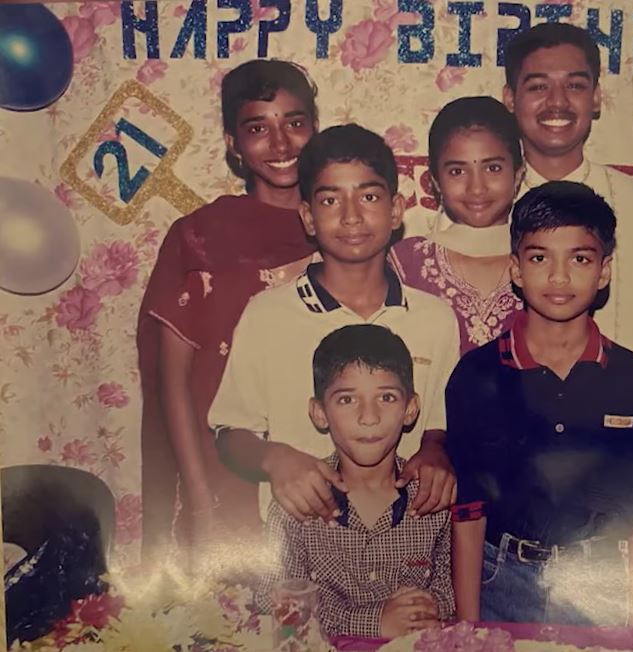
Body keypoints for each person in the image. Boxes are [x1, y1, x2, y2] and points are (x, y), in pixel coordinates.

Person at [447, 181, 633, 628]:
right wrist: (470, 629)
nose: (559, 277)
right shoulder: (477, 375)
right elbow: (469, 513)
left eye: (580, 259)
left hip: (599, 586)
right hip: (501, 581)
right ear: (516, 269)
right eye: (539, 258)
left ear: (604, 271)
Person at [208, 124, 460, 526]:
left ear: (396, 210)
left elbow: (437, 423)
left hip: (407, 541)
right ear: (308, 217)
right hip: (302, 537)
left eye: (369, 197)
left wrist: (436, 450)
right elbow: (231, 433)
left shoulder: (434, 318)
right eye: (330, 200)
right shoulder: (267, 314)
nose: (351, 216)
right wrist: (275, 458)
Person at [136, 59, 319, 557]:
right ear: (233, 144)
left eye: (295, 123)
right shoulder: (199, 237)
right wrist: (200, 503)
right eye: (258, 128)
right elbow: (173, 383)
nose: (280, 144)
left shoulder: (345, 226)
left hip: (323, 469)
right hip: (224, 472)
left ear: (315, 129)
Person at [502, 22, 633, 375]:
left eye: (574, 85)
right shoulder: (485, 206)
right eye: (538, 86)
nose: (557, 102)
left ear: (596, 97)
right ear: (510, 98)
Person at [256, 324, 453, 639]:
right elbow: (272, 604)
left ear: (410, 409)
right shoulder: (297, 501)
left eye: (386, 397)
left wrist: (423, 609)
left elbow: (451, 591)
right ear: (320, 413)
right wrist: (372, 621)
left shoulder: (432, 498)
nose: (369, 417)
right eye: (347, 400)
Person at [389, 96, 525, 353]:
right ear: (435, 182)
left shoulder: (544, 261)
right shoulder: (406, 264)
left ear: (518, 173)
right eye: (457, 172)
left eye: (493, 168)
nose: (477, 188)